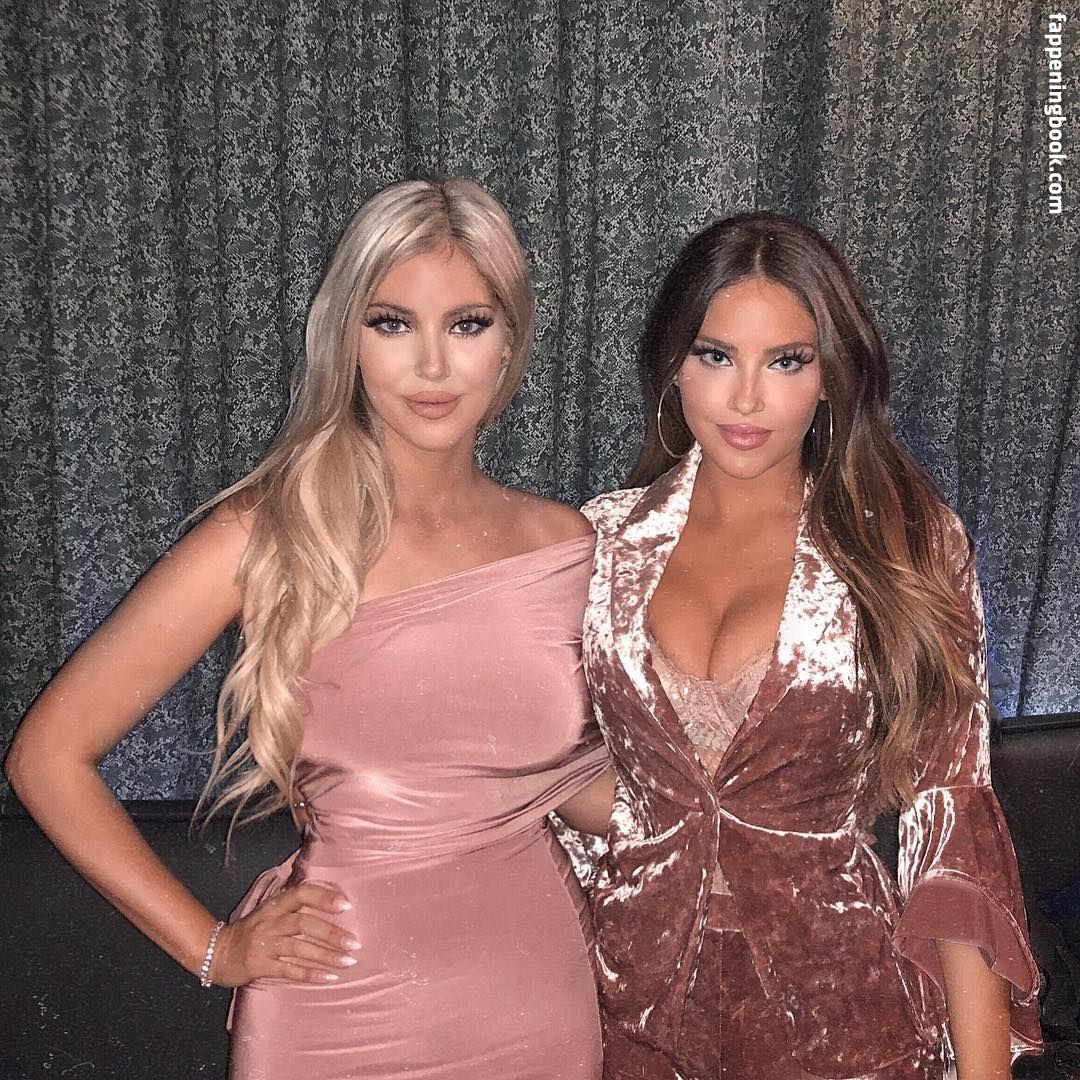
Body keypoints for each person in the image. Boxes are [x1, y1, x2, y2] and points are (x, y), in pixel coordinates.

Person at [6, 177, 615, 1080]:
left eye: (467, 324)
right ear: (347, 339)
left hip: (536, 997)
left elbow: (581, 787)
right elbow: (46, 757)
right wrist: (213, 949)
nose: (433, 365)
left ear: (510, 340)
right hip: (338, 1004)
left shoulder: (566, 544)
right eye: (392, 323)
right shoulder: (266, 535)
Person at [579, 212, 1042, 1079]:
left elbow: (952, 823)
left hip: (844, 1024)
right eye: (717, 355)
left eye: (786, 361)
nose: (747, 399)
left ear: (831, 375)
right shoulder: (599, 545)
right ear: (673, 362)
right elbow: (556, 778)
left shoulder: (907, 546)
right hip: (631, 1016)